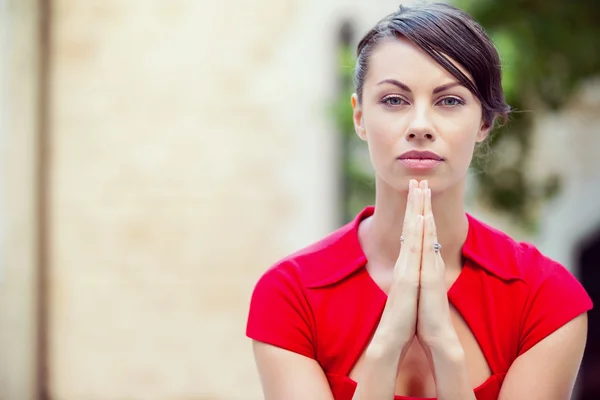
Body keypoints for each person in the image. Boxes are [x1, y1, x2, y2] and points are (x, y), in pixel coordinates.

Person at [245, 3, 593, 399]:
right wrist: (388, 340)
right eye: (394, 100)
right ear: (359, 117)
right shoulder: (291, 296)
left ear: (484, 122)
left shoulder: (545, 299)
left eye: (449, 101)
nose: (420, 126)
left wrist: (445, 348)